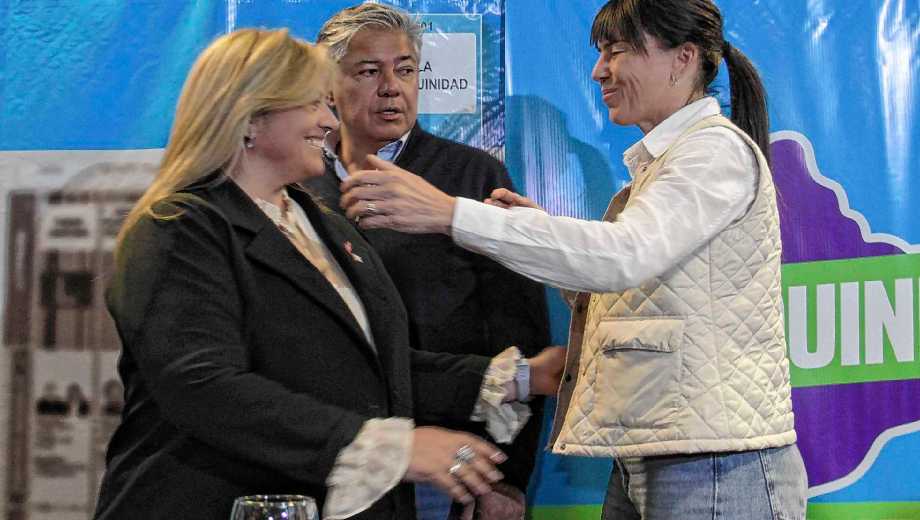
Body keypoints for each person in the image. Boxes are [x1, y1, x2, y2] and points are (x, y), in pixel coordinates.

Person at [339, 0, 809, 518]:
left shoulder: (711, 152)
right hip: (659, 453)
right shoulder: (668, 163)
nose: (599, 69)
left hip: (713, 464)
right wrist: (525, 228)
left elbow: (623, 257)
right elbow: (621, 283)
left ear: (683, 58)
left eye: (618, 50)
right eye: (600, 52)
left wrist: (454, 215)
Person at [92, 28, 563, 520]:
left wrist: (521, 377)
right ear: (250, 119)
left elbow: (368, 371)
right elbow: (202, 385)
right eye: (312, 104)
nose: (327, 119)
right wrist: (390, 447)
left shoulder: (321, 223)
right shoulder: (179, 227)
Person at [302, 4, 551, 519]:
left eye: (407, 69)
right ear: (328, 87)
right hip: (331, 456)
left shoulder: (472, 176)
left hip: (454, 463)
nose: (393, 87)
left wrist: (505, 480)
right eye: (370, 71)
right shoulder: (295, 183)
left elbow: (520, 335)